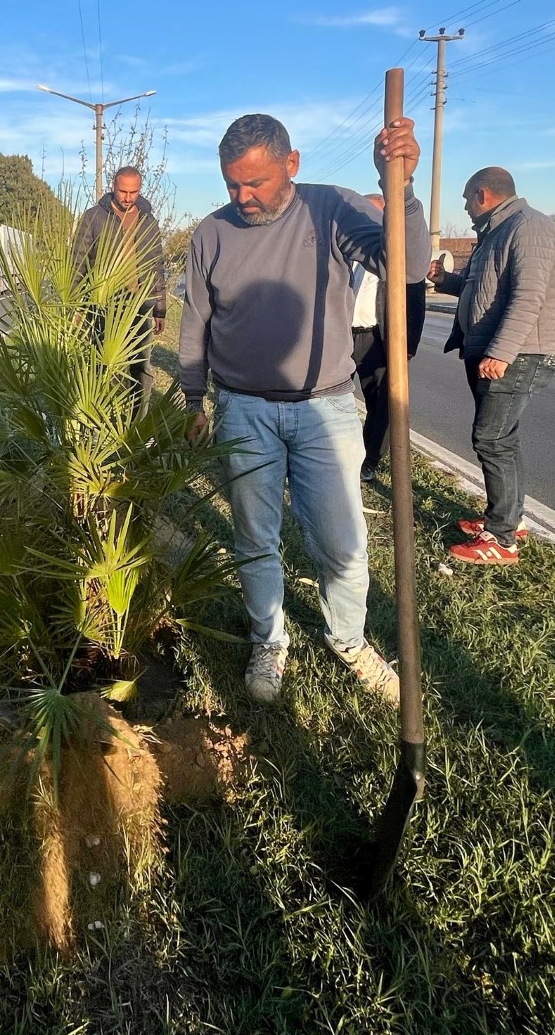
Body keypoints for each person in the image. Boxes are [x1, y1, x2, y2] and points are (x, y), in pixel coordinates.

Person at [180, 113, 429, 705]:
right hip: (242, 409)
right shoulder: (210, 234)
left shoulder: (332, 208)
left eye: (256, 183)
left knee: (342, 540)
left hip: (328, 409)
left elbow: (409, 267)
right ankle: (269, 639)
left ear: (291, 165)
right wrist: (193, 397)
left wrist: (403, 191)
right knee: (254, 538)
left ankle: (348, 639)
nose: (243, 198)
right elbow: (196, 321)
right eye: (232, 184)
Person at [429, 167, 555, 565]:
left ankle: (501, 540)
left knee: (491, 439)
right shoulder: (496, 231)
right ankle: (508, 519)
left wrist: (501, 352)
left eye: (467, 199)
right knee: (504, 439)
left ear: (483, 194)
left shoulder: (527, 227)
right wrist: (446, 279)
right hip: (497, 351)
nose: (464, 207)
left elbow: (528, 296)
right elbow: (482, 287)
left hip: (518, 354)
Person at [73, 165, 167, 415]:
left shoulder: (149, 221)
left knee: (141, 367)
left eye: (133, 192)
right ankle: (102, 422)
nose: (127, 197)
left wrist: (161, 309)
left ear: (140, 190)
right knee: (103, 367)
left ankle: (137, 424)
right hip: (105, 305)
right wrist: (77, 307)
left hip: (140, 305)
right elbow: (78, 262)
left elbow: (157, 265)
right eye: (123, 191)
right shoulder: (93, 217)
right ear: (113, 187)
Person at [350, 193, 427, 482]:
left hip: (378, 340)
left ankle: (368, 461)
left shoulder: (399, 254)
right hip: (344, 337)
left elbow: (416, 299)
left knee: (380, 404)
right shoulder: (351, 251)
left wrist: (408, 344)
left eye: (372, 214)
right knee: (335, 400)